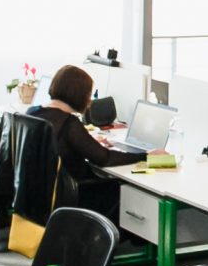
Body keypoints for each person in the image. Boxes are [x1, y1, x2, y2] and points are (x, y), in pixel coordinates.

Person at [35, 63, 157, 218]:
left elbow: (60, 144)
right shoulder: (69, 123)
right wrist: (146, 156)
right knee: (119, 187)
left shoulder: (34, 112)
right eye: (88, 95)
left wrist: (88, 141)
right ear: (77, 94)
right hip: (70, 195)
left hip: (39, 196)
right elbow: (104, 158)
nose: (90, 101)